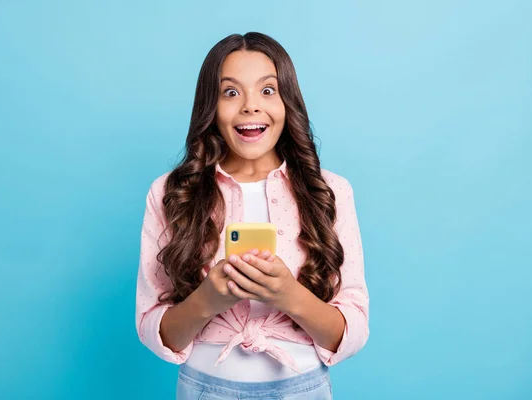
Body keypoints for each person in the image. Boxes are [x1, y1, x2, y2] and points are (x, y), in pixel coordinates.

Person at [135, 32, 369, 399]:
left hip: (301, 389)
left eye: (267, 90)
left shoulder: (331, 191)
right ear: (209, 107)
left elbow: (352, 330)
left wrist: (289, 296)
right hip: (204, 389)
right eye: (231, 92)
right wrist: (207, 300)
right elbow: (154, 329)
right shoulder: (170, 194)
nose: (249, 106)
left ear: (288, 101)